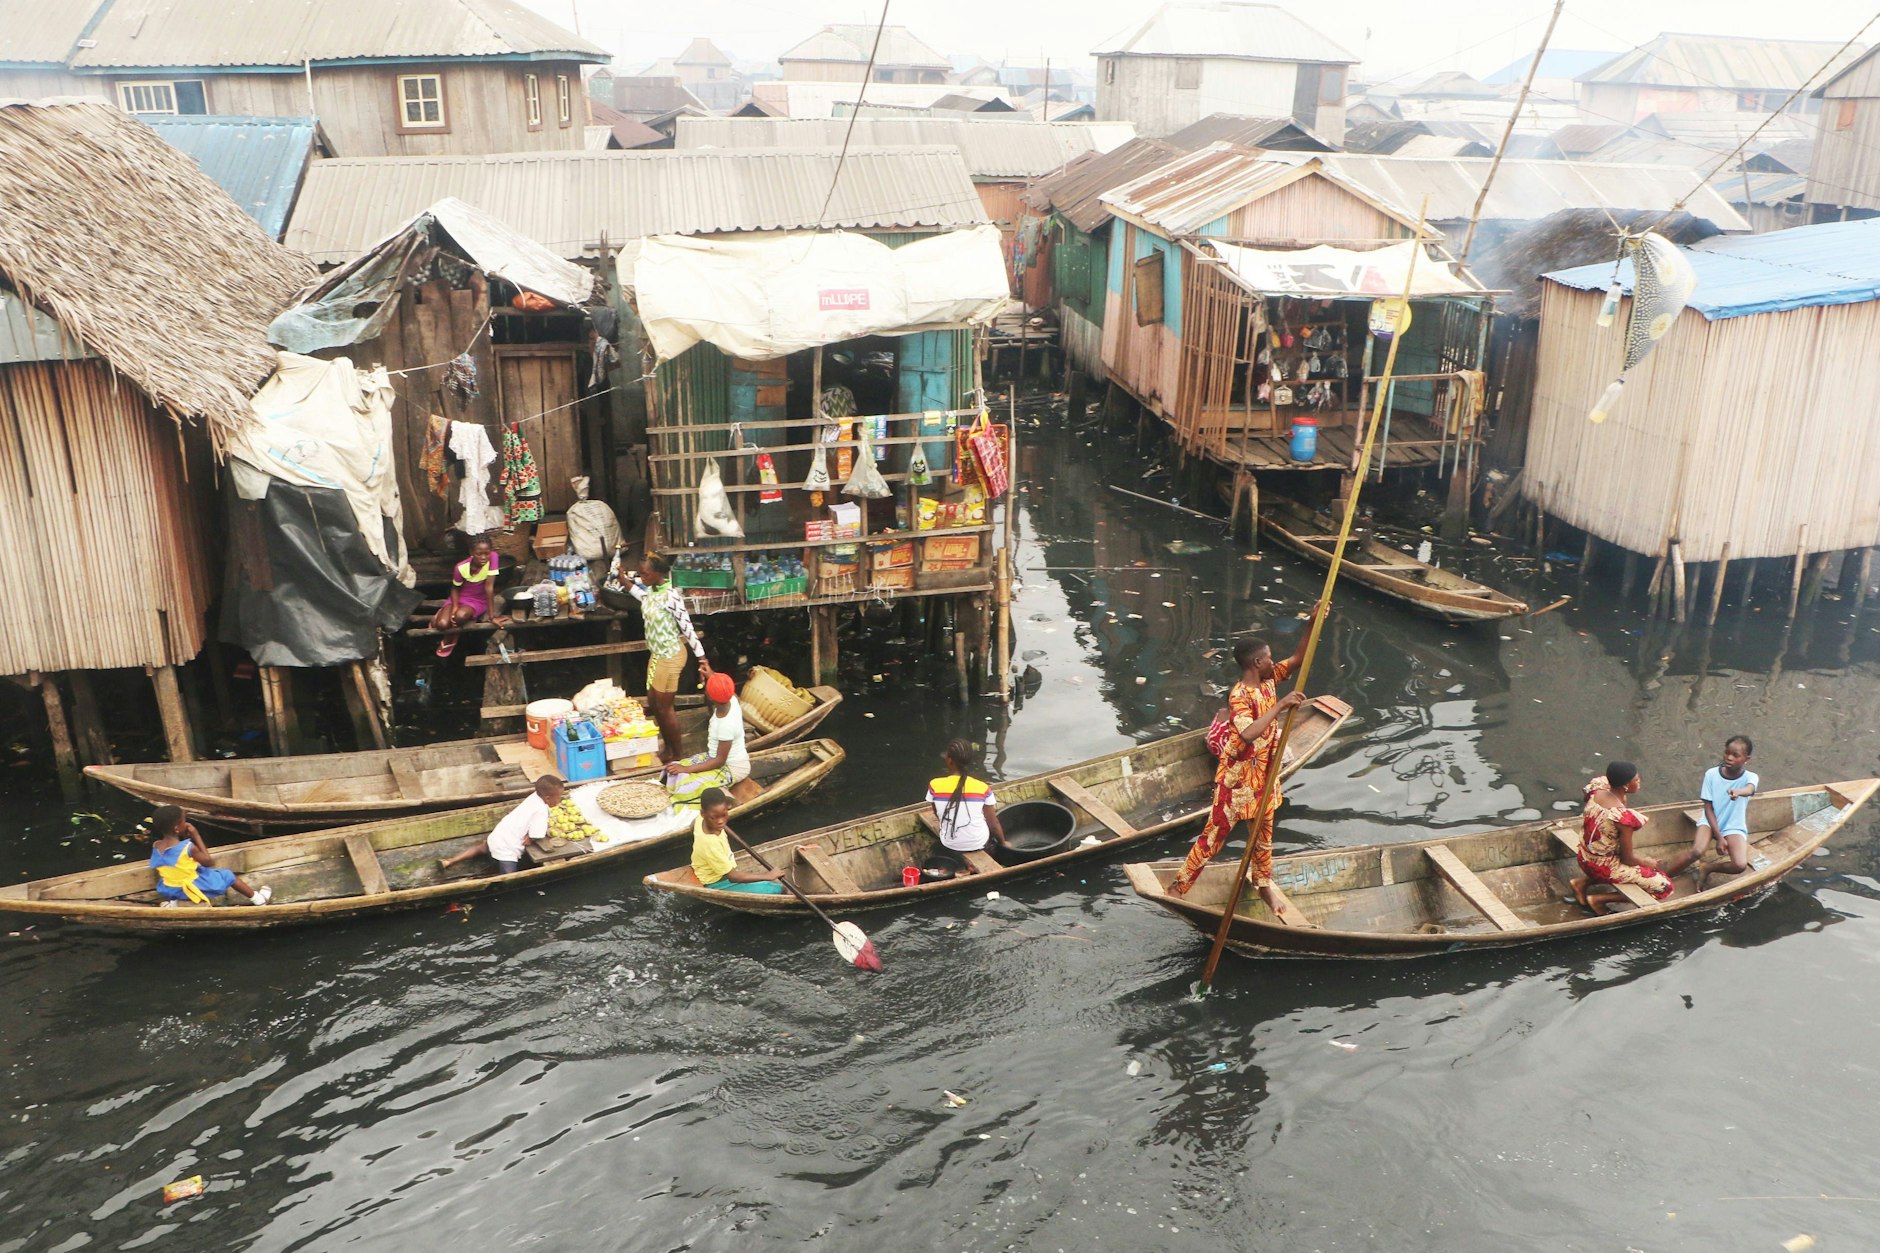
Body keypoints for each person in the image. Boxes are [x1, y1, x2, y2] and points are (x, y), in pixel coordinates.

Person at [1169, 606, 1326, 919]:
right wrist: (1282, 705)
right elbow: (1249, 732)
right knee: (1214, 836)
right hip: (1238, 780)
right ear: (1256, 662)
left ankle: (1263, 883)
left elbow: (1297, 660)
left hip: (1265, 774)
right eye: (1268, 657)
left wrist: (1313, 622)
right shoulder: (1240, 695)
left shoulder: (1268, 680)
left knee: (1264, 833)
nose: (1273, 661)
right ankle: (1178, 887)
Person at [629, 551, 711, 760]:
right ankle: (667, 748)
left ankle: (677, 754)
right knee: (653, 703)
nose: (642, 578)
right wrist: (623, 580)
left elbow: (687, 628)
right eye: (640, 575)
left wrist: (702, 658)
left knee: (664, 708)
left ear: (659, 574)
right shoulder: (651, 591)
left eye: (646, 574)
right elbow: (640, 595)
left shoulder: (671, 596)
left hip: (671, 655)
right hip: (657, 655)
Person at [1570, 762, 1675, 913]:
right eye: (1636, 780)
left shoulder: (1597, 791)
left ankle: (1581, 883)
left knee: (1618, 853)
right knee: (1665, 887)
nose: (1639, 783)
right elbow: (1627, 859)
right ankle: (1599, 900)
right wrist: (1647, 862)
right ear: (1625, 786)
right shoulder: (1622, 818)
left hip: (1584, 856)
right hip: (1601, 866)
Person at [1666, 735, 1759, 889]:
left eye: (1735, 755)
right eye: (1727, 753)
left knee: (1740, 865)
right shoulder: (1712, 774)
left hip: (1733, 825)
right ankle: (1662, 879)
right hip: (1710, 821)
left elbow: (1750, 789)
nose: (1729, 757)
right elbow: (1708, 808)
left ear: (1746, 759)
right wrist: (1720, 837)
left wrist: (1738, 791)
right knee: (1696, 852)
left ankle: (1708, 868)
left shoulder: (1750, 777)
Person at [148, 806, 271, 906]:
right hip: (191, 887)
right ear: (176, 828)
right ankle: (258, 899)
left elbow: (175, 857)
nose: (186, 823)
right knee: (228, 875)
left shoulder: (156, 846)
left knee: (186, 874)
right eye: (184, 821)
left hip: (170, 888)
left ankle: (174, 903)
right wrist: (196, 835)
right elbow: (208, 862)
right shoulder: (189, 847)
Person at [441, 775, 564, 876]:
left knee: (480, 848)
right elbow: (537, 834)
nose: (560, 801)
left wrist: (529, 834)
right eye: (559, 798)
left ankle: (449, 861)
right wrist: (531, 838)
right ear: (547, 798)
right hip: (507, 847)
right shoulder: (542, 810)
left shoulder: (534, 796)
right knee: (510, 877)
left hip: (498, 835)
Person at [924, 738, 1013, 875]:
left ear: (949, 760)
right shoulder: (982, 788)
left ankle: (961, 866)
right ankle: (970, 865)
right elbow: (993, 824)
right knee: (992, 837)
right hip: (979, 843)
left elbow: (937, 814)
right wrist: (1003, 842)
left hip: (949, 844)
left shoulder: (935, 785)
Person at [664, 670, 751, 806]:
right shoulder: (732, 700)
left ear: (711, 697)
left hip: (732, 768)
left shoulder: (725, 725)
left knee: (685, 788)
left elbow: (719, 761)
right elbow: (724, 688)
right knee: (673, 768)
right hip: (714, 757)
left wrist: (686, 769)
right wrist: (709, 672)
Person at [691, 787, 784, 894]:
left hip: (711, 867)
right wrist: (768, 876)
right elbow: (733, 877)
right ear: (703, 813)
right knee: (780, 889)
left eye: (724, 815)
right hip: (718, 882)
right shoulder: (710, 844)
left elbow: (692, 826)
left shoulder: (700, 819)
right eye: (714, 817)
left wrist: (714, 821)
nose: (721, 821)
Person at [430, 535, 511, 658]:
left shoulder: (493, 557)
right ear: (471, 553)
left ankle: (451, 636)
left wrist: (492, 616)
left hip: (478, 600)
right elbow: (455, 588)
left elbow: (489, 588)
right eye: (479, 554)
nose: (484, 557)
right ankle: (442, 615)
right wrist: (455, 607)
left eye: (486, 553)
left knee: (460, 617)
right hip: (459, 598)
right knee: (441, 624)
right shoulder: (460, 567)